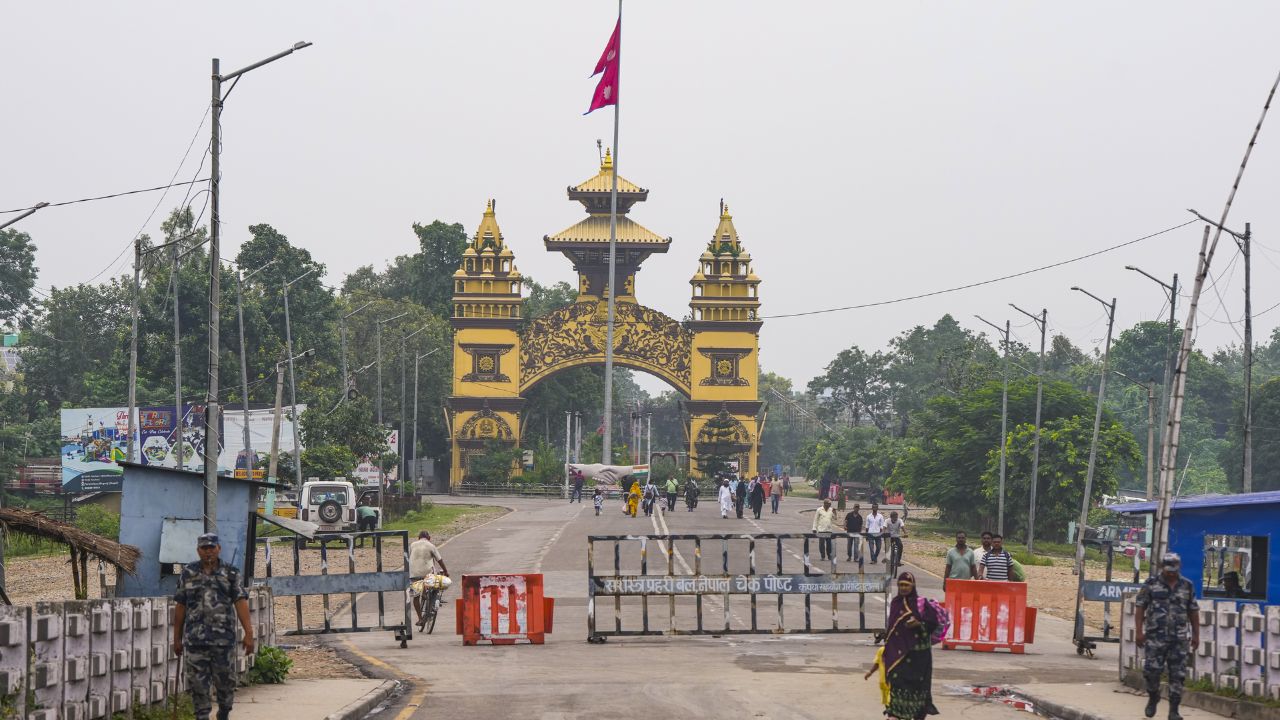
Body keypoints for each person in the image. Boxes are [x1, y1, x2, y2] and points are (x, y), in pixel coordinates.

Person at [172, 533, 254, 720]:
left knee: (225, 685)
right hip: (194, 641)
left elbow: (240, 602)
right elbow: (180, 606)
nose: (208, 551)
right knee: (197, 686)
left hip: (223, 642)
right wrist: (176, 638)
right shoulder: (188, 573)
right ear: (198, 550)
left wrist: (249, 633)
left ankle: (224, 712)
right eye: (204, 548)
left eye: (212, 548)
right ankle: (202, 715)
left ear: (219, 549)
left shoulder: (231, 573)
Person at [1135, 553, 1200, 720]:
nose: (1171, 573)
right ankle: (1153, 696)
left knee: (1177, 675)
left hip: (1178, 639)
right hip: (1155, 637)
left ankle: (1174, 710)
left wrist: (1196, 634)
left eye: (1174, 570)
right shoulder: (1151, 584)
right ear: (1162, 567)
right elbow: (1140, 607)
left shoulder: (1187, 585)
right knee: (1151, 672)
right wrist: (1139, 631)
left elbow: (1193, 611)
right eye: (1168, 570)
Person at [883, 571, 940, 719]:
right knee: (897, 687)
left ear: (913, 586)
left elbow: (932, 624)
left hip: (919, 659)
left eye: (906, 585)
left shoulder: (922, 604)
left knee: (918, 692)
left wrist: (918, 624)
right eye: (901, 585)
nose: (903, 588)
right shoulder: (896, 603)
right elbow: (891, 631)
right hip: (900, 657)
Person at [408, 530, 451, 627]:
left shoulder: (412, 545)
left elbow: (407, 558)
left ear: (418, 538)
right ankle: (430, 599)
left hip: (413, 574)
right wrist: (446, 571)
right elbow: (439, 560)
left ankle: (420, 619)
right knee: (435, 586)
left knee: (415, 597)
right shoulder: (431, 545)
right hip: (428, 574)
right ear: (429, 538)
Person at [864, 645, 891, 710]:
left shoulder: (898, 650)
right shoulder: (881, 650)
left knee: (891, 702)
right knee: (886, 703)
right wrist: (870, 672)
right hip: (883, 682)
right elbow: (877, 663)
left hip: (893, 682)